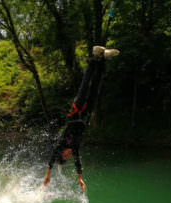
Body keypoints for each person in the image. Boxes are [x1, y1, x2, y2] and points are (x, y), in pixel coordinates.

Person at [43, 46, 120, 192]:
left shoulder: (61, 144)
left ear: (62, 153)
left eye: (65, 156)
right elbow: (78, 163)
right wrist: (80, 178)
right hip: (85, 115)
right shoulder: (75, 148)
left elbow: (52, 159)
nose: (68, 155)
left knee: (85, 87)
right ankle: (103, 58)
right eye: (68, 157)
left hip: (77, 110)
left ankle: (94, 58)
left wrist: (47, 175)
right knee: (95, 88)